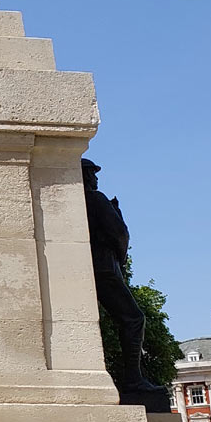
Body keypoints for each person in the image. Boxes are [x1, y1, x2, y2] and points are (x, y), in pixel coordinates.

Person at [82, 158, 164, 393]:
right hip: (106, 266)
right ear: (86, 176)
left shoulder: (76, 201)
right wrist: (122, 257)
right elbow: (120, 233)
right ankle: (133, 379)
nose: (96, 178)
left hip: (89, 265)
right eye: (93, 174)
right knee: (133, 318)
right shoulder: (96, 199)